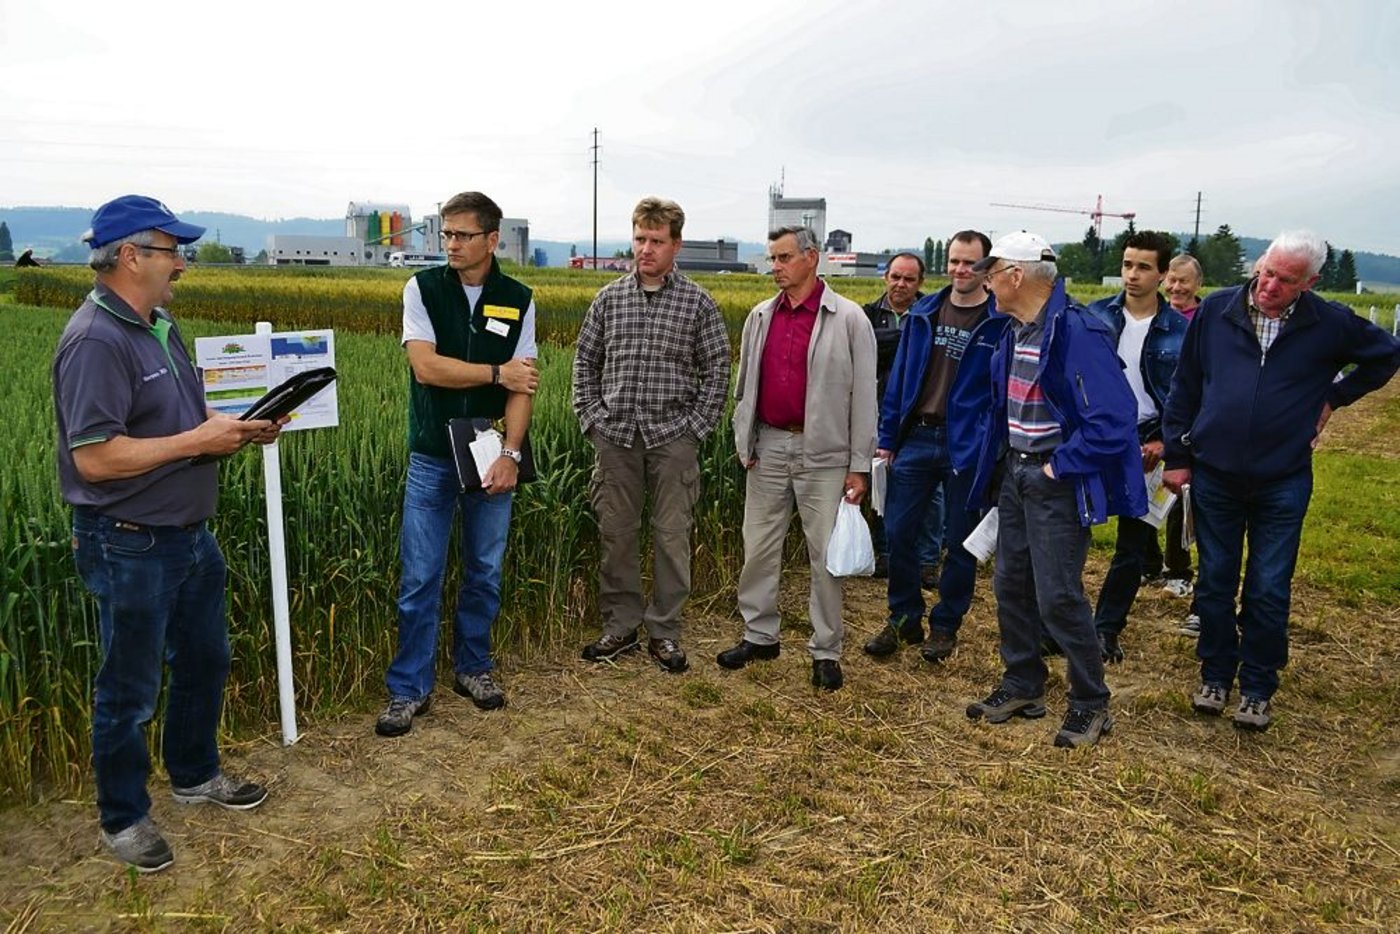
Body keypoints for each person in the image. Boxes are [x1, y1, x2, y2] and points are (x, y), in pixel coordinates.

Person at [54, 195, 283, 872]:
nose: (181, 263)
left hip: (187, 534)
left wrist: (238, 428)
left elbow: (184, 415)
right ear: (129, 256)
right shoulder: (96, 341)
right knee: (129, 690)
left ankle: (194, 774)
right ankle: (124, 818)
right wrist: (197, 441)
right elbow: (96, 457)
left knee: (206, 660)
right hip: (129, 540)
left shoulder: (159, 324)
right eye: (171, 250)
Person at [1163, 230, 1399, 731]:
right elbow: (1185, 384)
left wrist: (1335, 396)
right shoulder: (1218, 310)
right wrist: (1178, 456)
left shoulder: (1329, 322)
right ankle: (1215, 674)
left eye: (1286, 280)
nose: (1270, 286)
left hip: (1282, 478)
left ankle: (1257, 686)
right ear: (1259, 264)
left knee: (1269, 587)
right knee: (1215, 580)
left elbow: (1386, 354)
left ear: (1309, 283)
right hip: (1215, 473)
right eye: (1267, 273)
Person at [964, 231, 1145, 748]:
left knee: (1059, 595)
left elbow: (1114, 420)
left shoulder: (1077, 332)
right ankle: (1024, 683)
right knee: (1010, 584)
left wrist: (1057, 468)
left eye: (992, 273)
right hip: (1017, 474)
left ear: (1016, 275)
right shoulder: (1012, 330)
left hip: (1054, 481)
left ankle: (1090, 702)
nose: (987, 283)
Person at [376, 191, 540, 736]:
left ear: (492, 240)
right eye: (445, 234)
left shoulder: (518, 298)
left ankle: (473, 668)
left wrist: (512, 454)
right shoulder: (421, 288)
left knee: (485, 570)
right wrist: (496, 373)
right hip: (432, 454)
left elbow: (525, 386)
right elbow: (426, 368)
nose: (451, 244)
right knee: (420, 574)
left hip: (490, 453)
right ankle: (409, 688)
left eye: (462, 235)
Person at [573, 197, 730, 673]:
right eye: (640, 238)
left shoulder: (698, 303)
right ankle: (620, 626)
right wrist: (592, 419)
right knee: (616, 533)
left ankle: (664, 631)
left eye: (656, 241)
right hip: (616, 437)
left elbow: (718, 369)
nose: (646, 248)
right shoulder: (609, 299)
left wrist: (694, 430)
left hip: (672, 438)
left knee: (671, 536)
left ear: (675, 245)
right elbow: (585, 362)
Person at [720, 225, 877, 691]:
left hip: (824, 454)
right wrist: (745, 439)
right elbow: (745, 385)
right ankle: (759, 636)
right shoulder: (760, 316)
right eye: (772, 258)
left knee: (824, 555)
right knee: (758, 546)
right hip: (768, 446)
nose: (775, 267)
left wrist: (859, 465)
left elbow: (865, 397)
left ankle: (826, 650)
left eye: (784, 257)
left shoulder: (849, 319)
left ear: (812, 258)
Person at [866, 230, 1000, 663]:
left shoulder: (999, 321)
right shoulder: (925, 313)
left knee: (960, 542)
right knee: (898, 532)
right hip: (918, 437)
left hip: (966, 445)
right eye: (955, 261)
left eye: (970, 263)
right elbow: (900, 379)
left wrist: (989, 444)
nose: (960, 269)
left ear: (986, 268)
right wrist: (889, 438)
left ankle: (945, 626)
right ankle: (904, 618)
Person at [1085, 232, 1188, 664]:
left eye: (1144, 267)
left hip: (1147, 444)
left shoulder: (1182, 331)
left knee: (1133, 543)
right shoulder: (1094, 316)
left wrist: (1166, 440)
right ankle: (1061, 625)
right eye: (1128, 264)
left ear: (1162, 274)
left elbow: (1189, 394)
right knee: (1070, 534)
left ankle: (1106, 629)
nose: (1132, 274)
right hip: (1094, 437)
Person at [862, 253, 939, 579]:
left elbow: (932, 359)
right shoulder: (867, 314)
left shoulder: (933, 315)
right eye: (895, 277)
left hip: (920, 416)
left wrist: (883, 345)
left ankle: (927, 560)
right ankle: (886, 554)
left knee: (931, 493)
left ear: (920, 282)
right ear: (886, 278)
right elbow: (863, 350)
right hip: (877, 411)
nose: (900, 284)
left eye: (909, 279)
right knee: (882, 483)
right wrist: (907, 341)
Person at [1161, 252, 1205, 624]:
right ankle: (1149, 562)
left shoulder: (1206, 321)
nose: (1176, 287)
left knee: (1181, 501)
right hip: (1151, 422)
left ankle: (1178, 570)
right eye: (1172, 280)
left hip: (1188, 424)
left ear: (1197, 285)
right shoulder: (1155, 318)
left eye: (1184, 281)